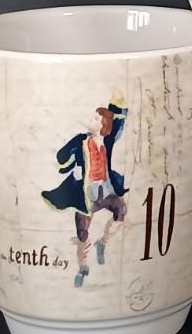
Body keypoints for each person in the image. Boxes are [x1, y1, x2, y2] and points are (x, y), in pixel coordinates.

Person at [42, 95, 128, 288]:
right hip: (86, 194)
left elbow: (121, 119)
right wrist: (71, 162)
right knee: (83, 234)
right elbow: (61, 155)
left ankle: (103, 242)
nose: (92, 120)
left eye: (96, 119)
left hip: (106, 190)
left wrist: (118, 109)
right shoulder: (81, 140)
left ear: (104, 125)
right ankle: (83, 268)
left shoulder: (107, 141)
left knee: (121, 212)